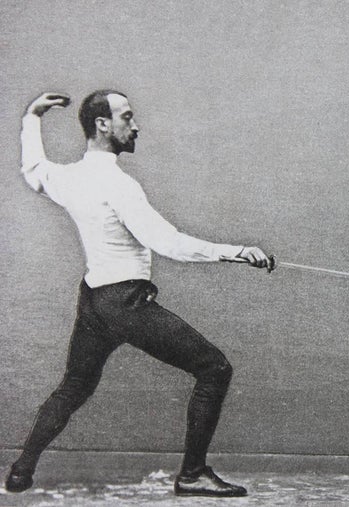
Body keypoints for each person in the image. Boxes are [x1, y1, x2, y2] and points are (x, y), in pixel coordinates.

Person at [5, 91, 272, 498]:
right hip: (125, 302)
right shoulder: (117, 183)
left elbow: (33, 170)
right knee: (214, 369)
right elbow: (167, 243)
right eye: (127, 117)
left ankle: (21, 472)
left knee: (74, 387)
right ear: (102, 125)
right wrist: (236, 252)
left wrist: (31, 116)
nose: (136, 126)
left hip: (95, 300)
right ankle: (193, 474)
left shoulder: (70, 176)